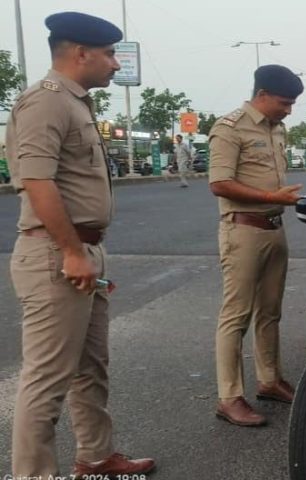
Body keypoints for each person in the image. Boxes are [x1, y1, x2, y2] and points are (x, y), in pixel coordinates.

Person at [5, 12, 155, 477]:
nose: (116, 64)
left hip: (82, 251)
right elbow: (37, 181)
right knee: (47, 379)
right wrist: (72, 252)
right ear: (80, 53)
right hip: (56, 254)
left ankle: (95, 456)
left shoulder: (76, 102)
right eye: (109, 54)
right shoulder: (45, 102)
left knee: (91, 366)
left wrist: (85, 253)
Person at [208, 65, 304, 427]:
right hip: (243, 231)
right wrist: (270, 197)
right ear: (262, 95)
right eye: (284, 103)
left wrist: (276, 202)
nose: (288, 110)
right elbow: (219, 183)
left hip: (274, 228)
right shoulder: (230, 128)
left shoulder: (277, 129)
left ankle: (270, 380)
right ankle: (229, 397)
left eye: (292, 104)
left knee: (270, 311)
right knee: (236, 316)